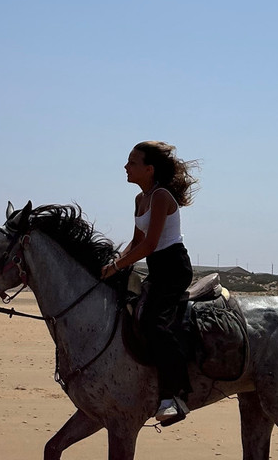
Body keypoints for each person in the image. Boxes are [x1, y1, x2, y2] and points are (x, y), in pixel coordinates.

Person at [100, 140, 198, 426]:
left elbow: (152, 243)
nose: (126, 167)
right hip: (156, 268)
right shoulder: (140, 199)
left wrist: (119, 264)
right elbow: (137, 241)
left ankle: (175, 395)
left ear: (149, 169)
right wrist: (115, 262)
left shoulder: (161, 197)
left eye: (132, 162)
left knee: (156, 323)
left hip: (174, 268)